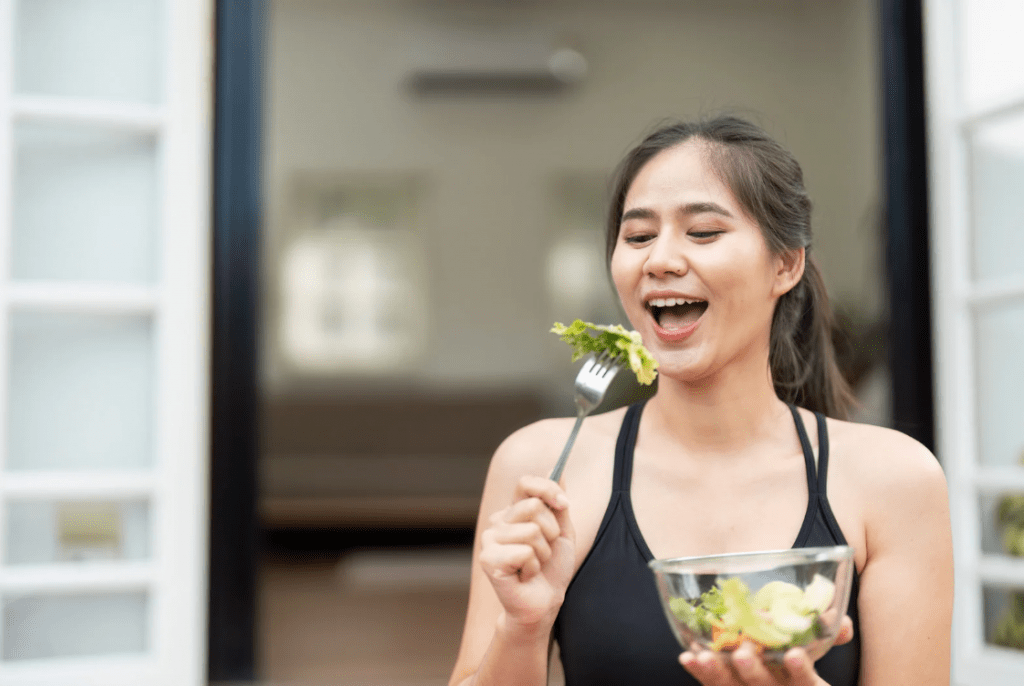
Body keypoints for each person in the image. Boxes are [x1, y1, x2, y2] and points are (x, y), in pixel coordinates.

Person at [448, 115, 953, 686]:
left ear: (785, 264)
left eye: (703, 233)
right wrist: (523, 625)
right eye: (638, 237)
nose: (658, 260)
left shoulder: (894, 481)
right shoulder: (544, 466)